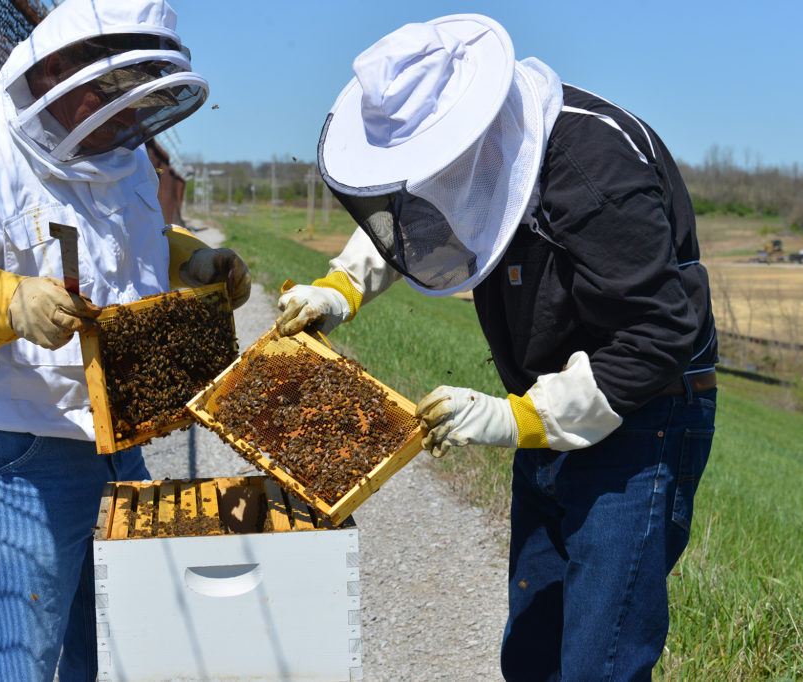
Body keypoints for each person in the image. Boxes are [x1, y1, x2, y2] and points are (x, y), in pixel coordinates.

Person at [277, 13, 717, 681]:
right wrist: (341, 287)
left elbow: (656, 335)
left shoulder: (594, 170)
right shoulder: (476, 155)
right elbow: (415, 217)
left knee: (599, 663)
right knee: (533, 654)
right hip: (548, 412)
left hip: (640, 419)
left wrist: (518, 419)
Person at [0, 0, 250, 679]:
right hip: (18, 464)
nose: (131, 121)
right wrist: (6, 305)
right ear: (57, 72)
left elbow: (130, 241)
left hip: (119, 445)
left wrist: (188, 258)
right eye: (117, 100)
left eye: (142, 102)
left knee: (116, 654)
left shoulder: (119, 149)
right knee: (17, 668)